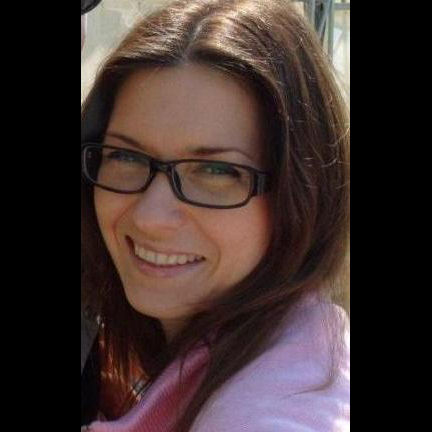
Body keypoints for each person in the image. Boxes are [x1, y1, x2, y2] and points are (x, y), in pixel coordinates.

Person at [81, 0, 350, 430]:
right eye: (125, 156)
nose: (150, 217)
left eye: (216, 171)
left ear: (302, 193)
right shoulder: (299, 337)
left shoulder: (270, 414)